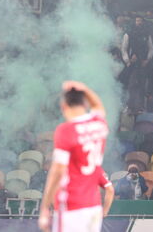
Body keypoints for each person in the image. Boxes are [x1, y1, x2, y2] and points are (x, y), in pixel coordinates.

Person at [38, 81, 109, 232]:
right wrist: (85, 89)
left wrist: (45, 207)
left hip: (71, 204)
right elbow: (98, 107)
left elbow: (57, 171)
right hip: (93, 205)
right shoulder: (99, 123)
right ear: (84, 104)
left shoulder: (66, 130)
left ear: (63, 106)